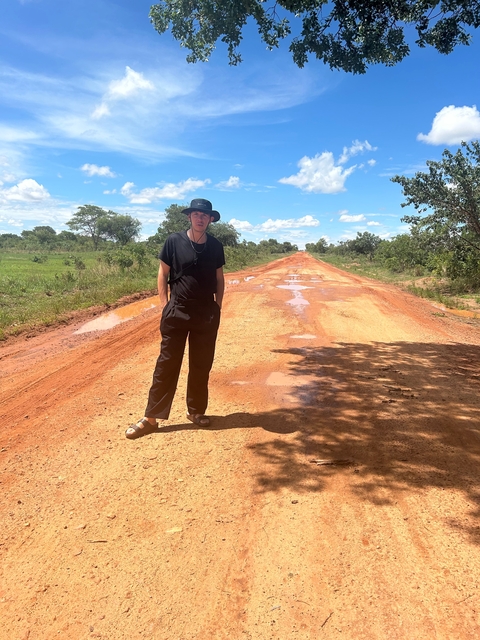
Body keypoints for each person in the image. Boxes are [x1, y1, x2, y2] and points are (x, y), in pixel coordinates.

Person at [125, 198, 225, 439]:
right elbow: (163, 273)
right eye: (196, 214)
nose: (200, 218)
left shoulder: (216, 245)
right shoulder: (173, 240)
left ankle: (196, 411)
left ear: (210, 219)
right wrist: (164, 305)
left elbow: (219, 278)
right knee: (167, 364)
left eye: (205, 215)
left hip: (205, 313)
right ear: (189, 217)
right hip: (177, 311)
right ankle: (151, 418)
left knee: (201, 364)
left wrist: (217, 308)